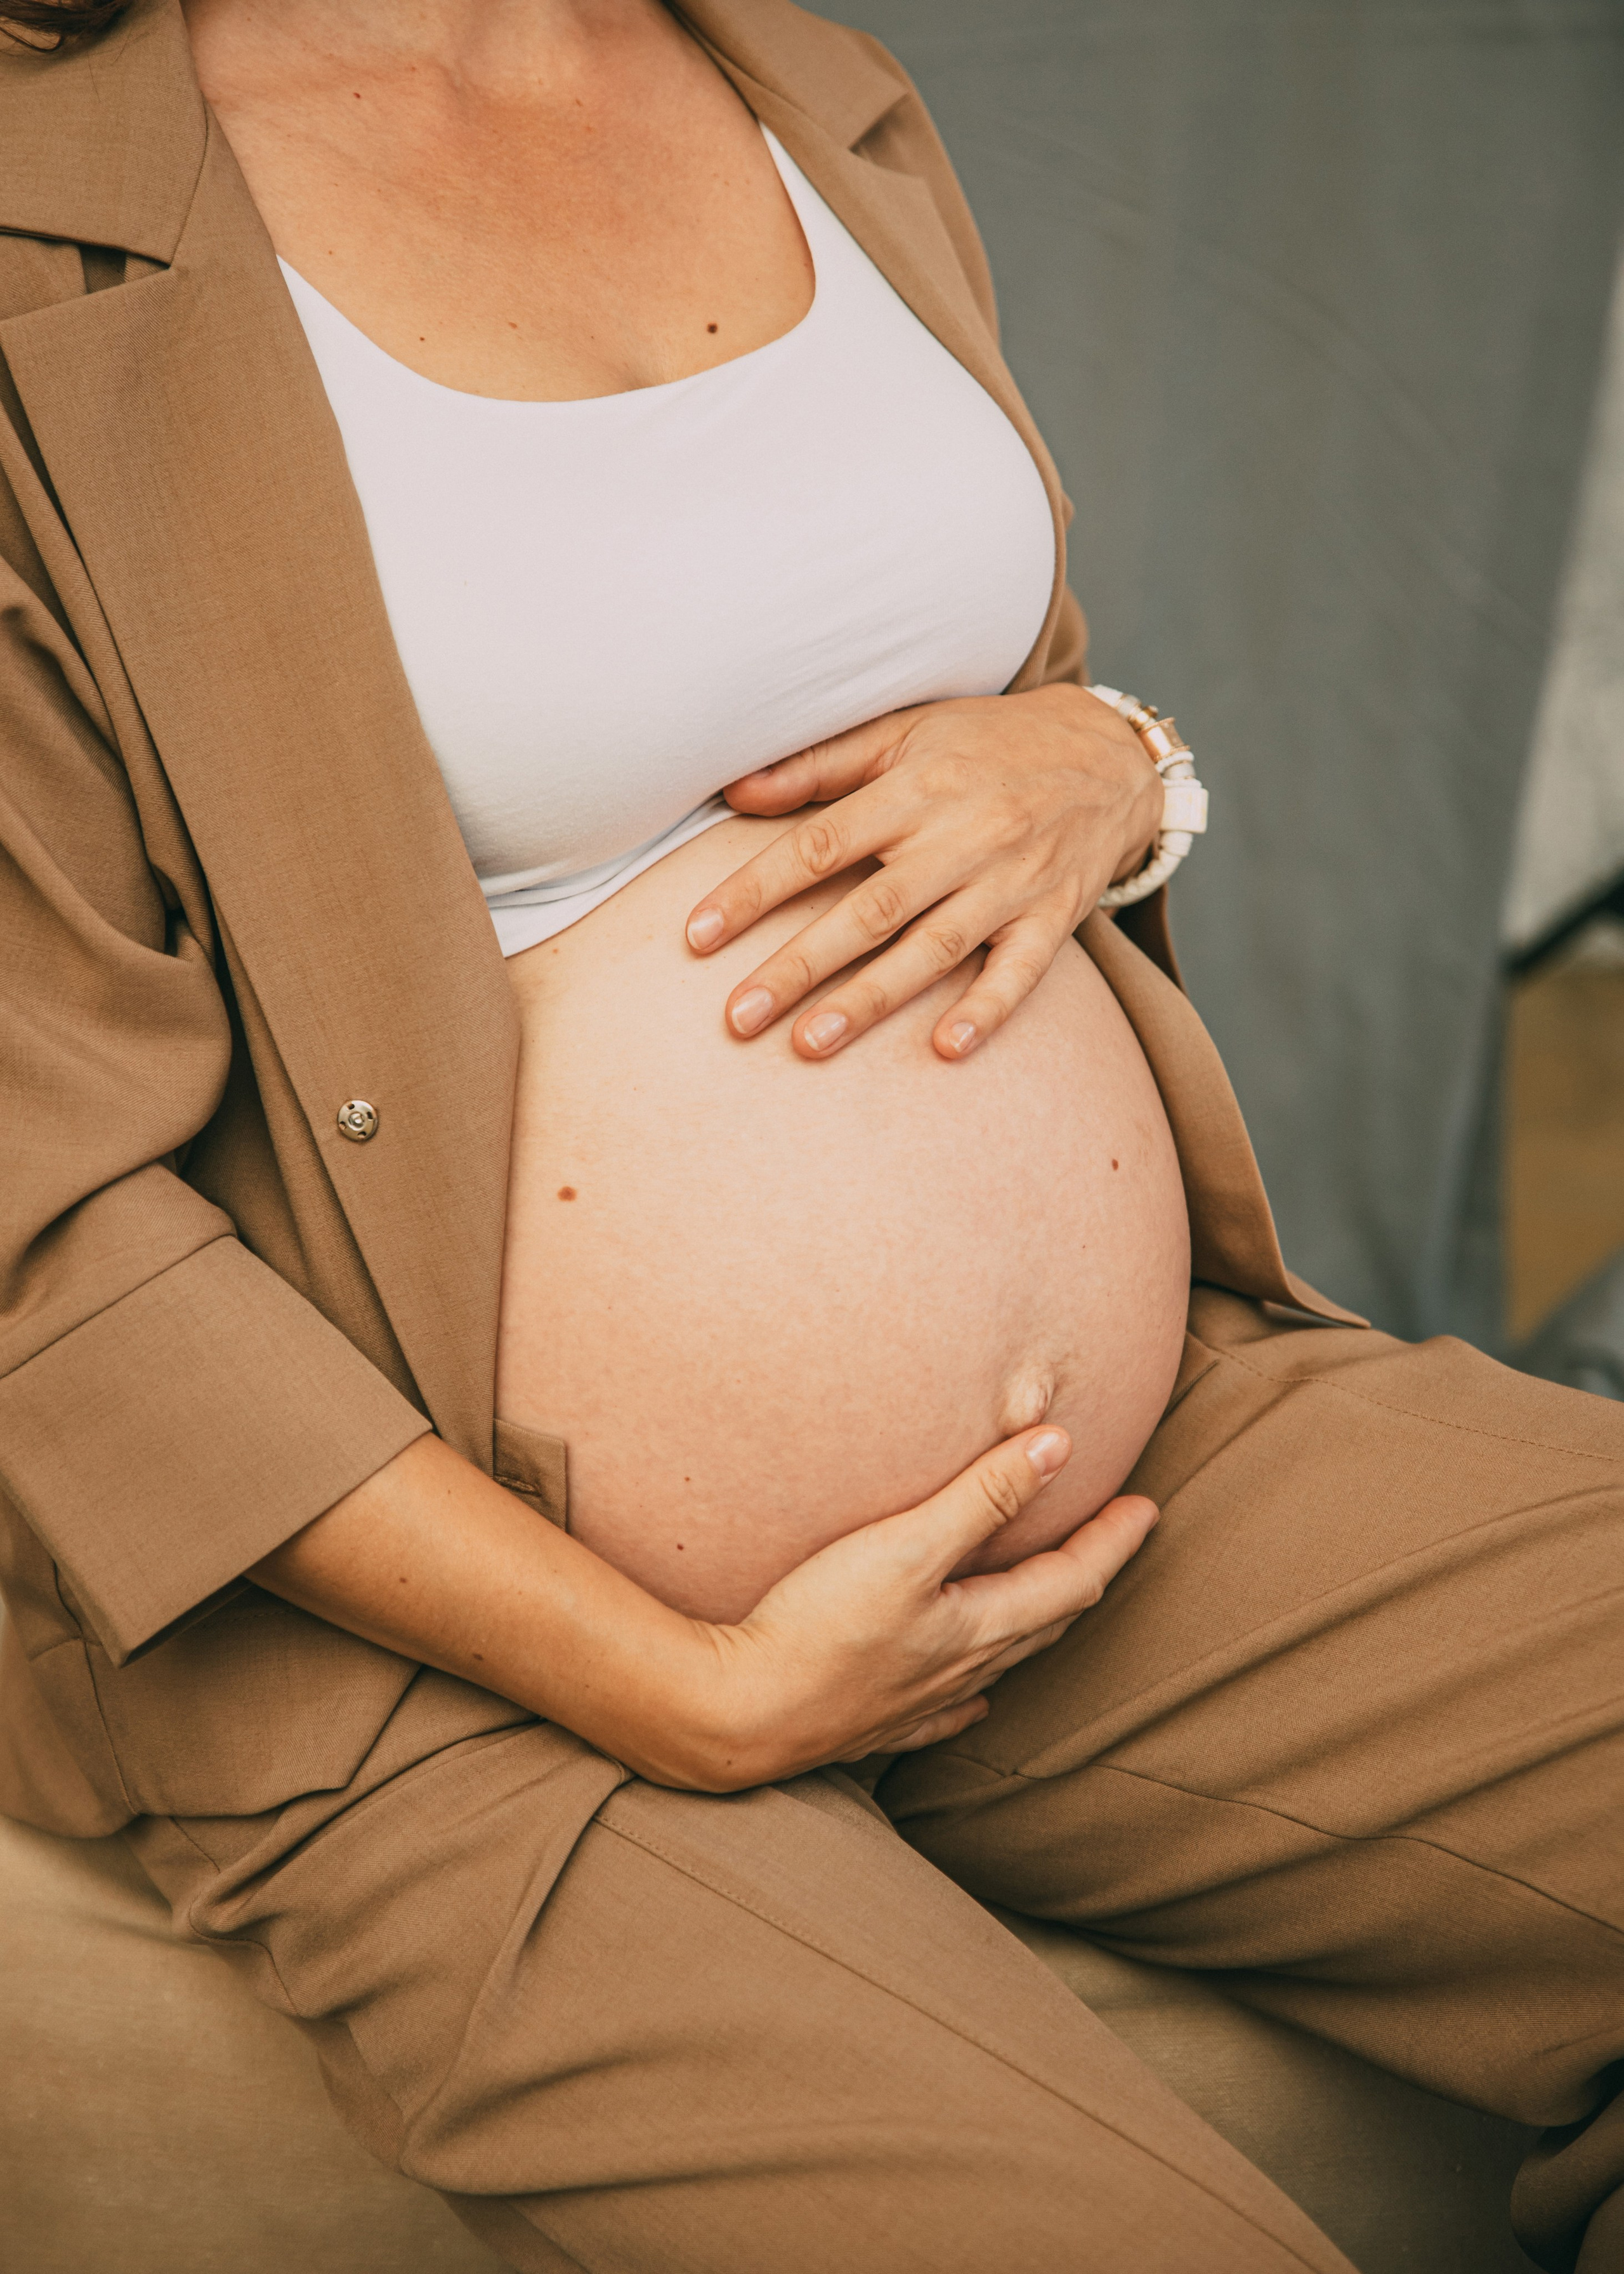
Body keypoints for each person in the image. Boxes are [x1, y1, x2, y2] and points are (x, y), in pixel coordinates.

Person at [0, 2, 1617, 2267]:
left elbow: (948, 695)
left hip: (1125, 1483)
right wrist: (675, 1686)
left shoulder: (795, 77)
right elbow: (30, 1225)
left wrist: (1110, 762)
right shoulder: (35, 221)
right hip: (443, 1640)